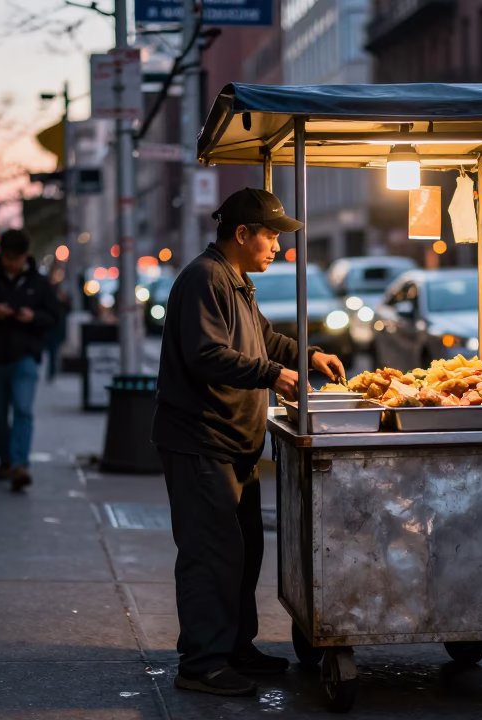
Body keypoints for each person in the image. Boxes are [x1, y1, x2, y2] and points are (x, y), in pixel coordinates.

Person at [153, 187, 346, 698]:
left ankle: (234, 646)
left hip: (235, 442)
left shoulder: (236, 281)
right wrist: (273, 374)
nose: (278, 246)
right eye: (271, 235)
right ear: (242, 234)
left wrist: (307, 355)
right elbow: (206, 355)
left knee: (242, 552)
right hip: (201, 439)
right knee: (210, 554)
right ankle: (201, 662)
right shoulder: (204, 278)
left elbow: (263, 340)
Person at [0, 230, 61, 491]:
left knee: (23, 409)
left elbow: (54, 316)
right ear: (1, 255)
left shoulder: (39, 283)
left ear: (26, 256)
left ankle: (20, 464)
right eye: (9, 259)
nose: (13, 264)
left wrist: (34, 317)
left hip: (25, 355)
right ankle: (5, 459)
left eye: (18, 259)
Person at [43, 282, 70, 383]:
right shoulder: (52, 303)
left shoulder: (63, 304)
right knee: (51, 354)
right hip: (51, 333)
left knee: (53, 355)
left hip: (56, 333)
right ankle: (51, 372)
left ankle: (52, 372)